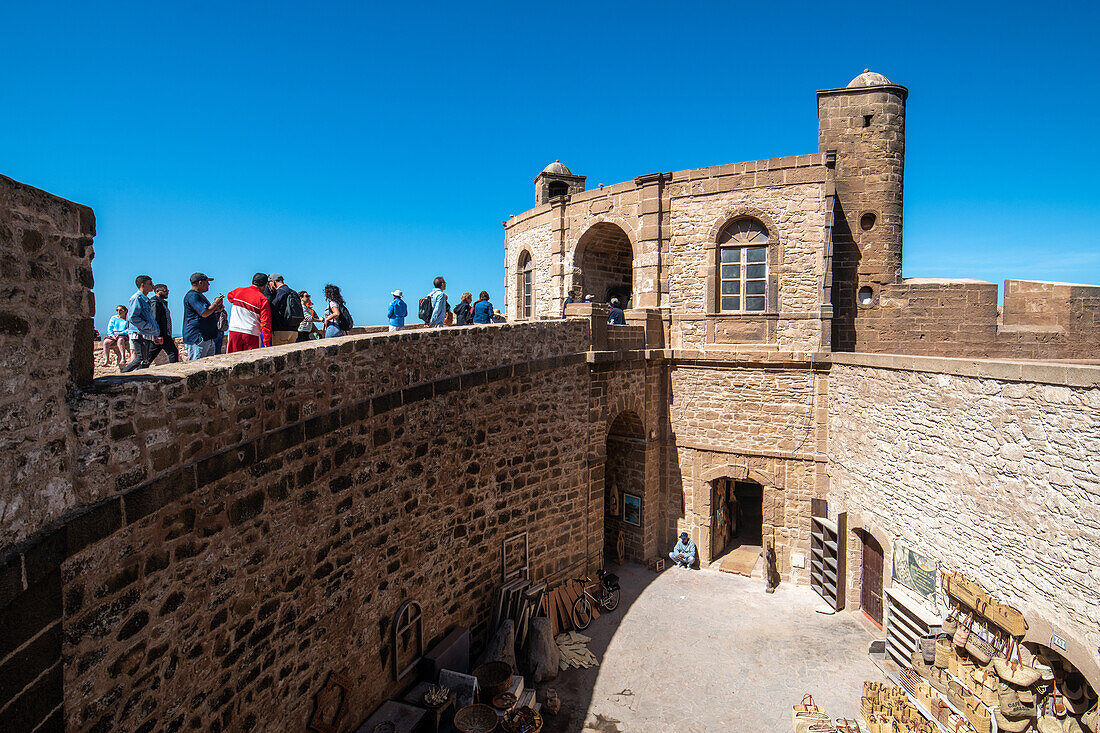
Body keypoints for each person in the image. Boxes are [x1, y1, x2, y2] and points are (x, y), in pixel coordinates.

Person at [121, 275, 161, 372]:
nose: (153, 286)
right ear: (143, 285)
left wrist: (154, 334)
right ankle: (122, 375)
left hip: (144, 333)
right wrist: (148, 326)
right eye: (150, 284)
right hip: (138, 333)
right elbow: (132, 317)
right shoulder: (137, 298)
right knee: (140, 359)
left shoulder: (145, 299)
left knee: (145, 360)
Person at [226, 273, 273, 352]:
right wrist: (266, 341)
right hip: (251, 333)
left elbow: (229, 297)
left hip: (234, 331)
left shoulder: (238, 291)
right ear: (265, 285)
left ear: (252, 281)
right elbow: (265, 322)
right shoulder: (263, 299)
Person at [182, 272, 224, 360]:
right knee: (197, 366)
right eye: (207, 282)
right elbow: (204, 313)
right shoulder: (193, 296)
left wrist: (216, 309)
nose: (208, 284)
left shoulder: (199, 296)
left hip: (206, 336)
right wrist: (216, 303)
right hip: (198, 337)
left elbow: (206, 312)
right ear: (200, 283)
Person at [267, 273, 304, 346]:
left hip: (280, 330)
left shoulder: (279, 292)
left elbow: (272, 309)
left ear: (273, 282)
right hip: (294, 331)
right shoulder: (294, 292)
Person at [146, 284, 179, 364]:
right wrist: (158, 335)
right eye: (165, 291)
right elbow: (155, 319)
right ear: (157, 291)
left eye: (167, 291)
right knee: (148, 358)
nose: (167, 293)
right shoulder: (155, 303)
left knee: (173, 353)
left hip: (165, 334)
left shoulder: (161, 303)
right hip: (160, 335)